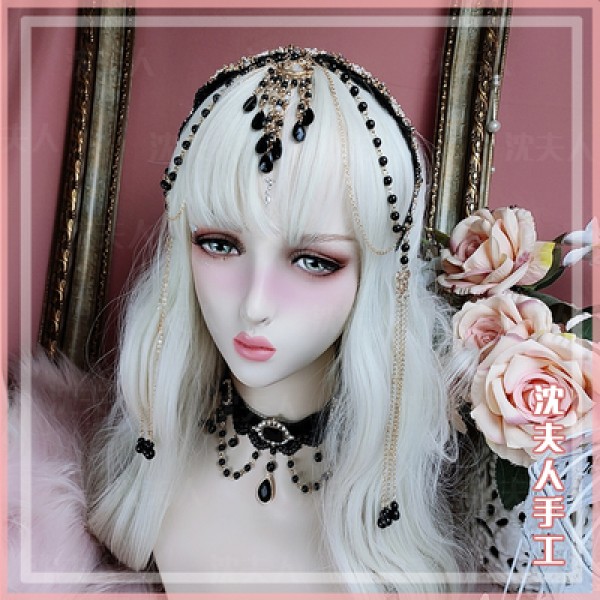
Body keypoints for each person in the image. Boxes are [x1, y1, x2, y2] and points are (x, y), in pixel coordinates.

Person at [84, 46, 464, 594]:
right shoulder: (156, 480)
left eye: (313, 262)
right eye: (219, 245)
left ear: (378, 278)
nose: (255, 303)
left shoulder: (382, 527)